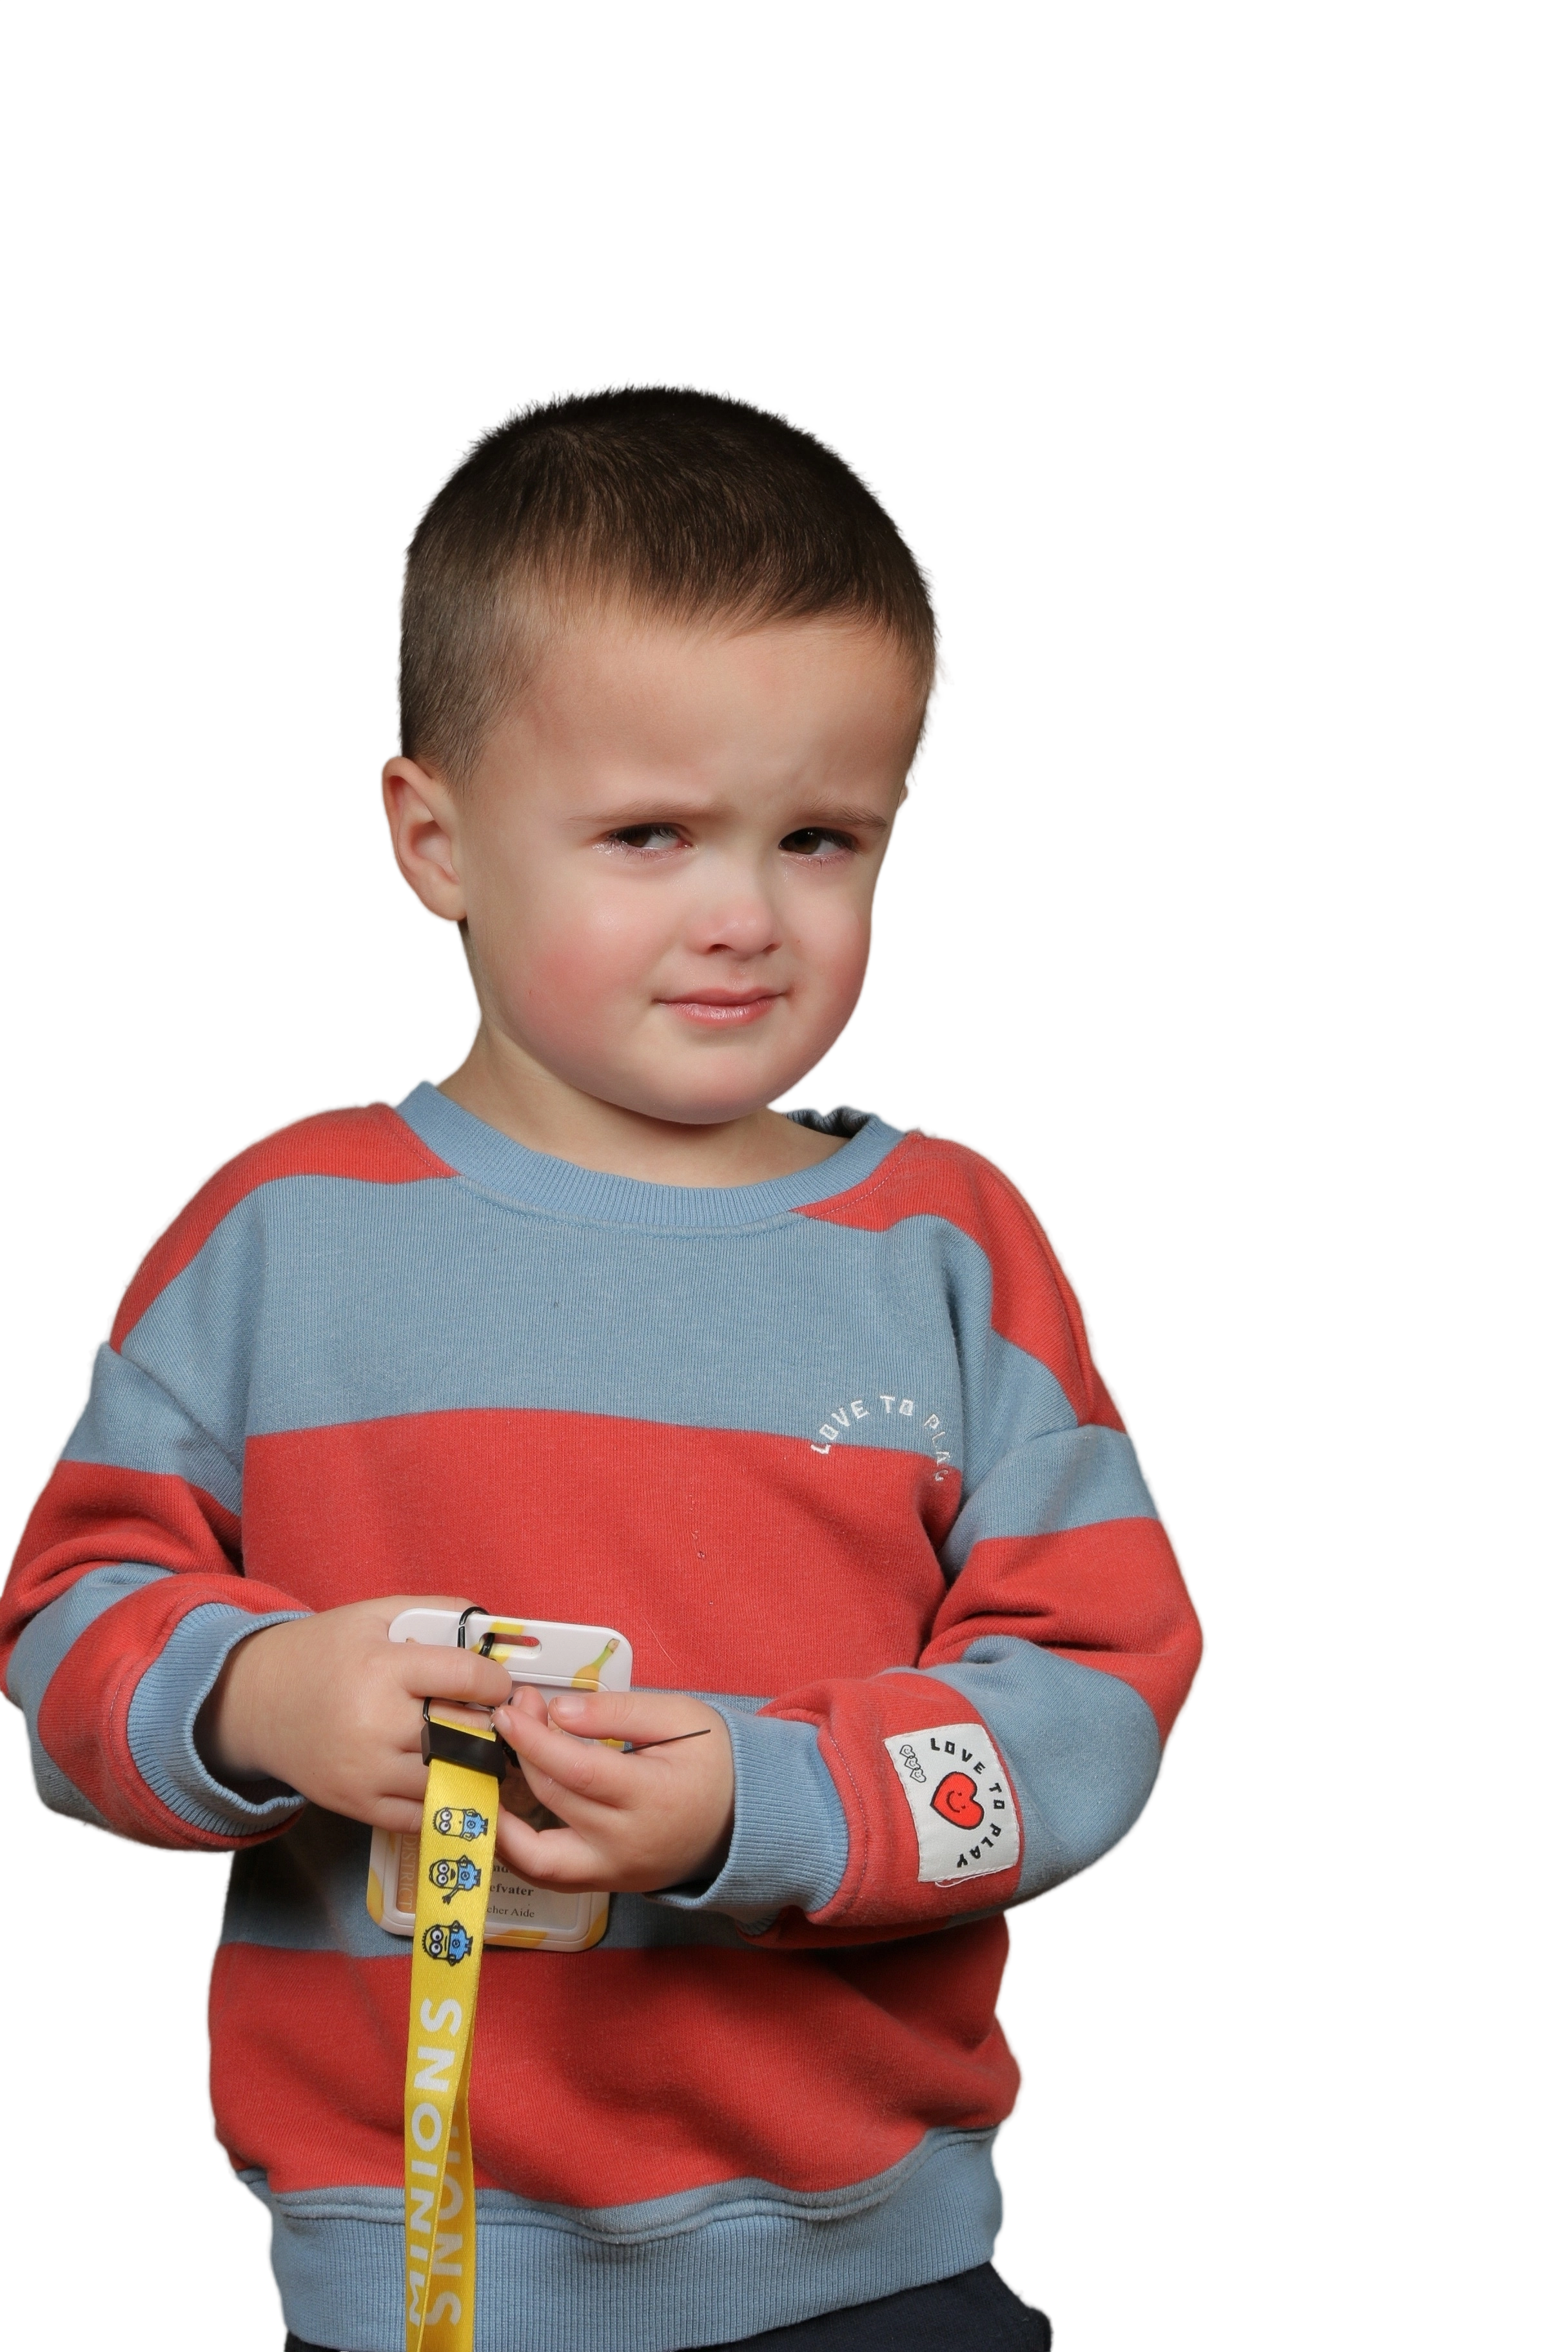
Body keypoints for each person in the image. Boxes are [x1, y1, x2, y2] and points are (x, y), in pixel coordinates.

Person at [0, 378, 1207, 2352]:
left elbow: (1097, 1696)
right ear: (436, 841)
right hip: (414, 2282)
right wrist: (253, 1699)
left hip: (873, 2271)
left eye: (821, 838)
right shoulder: (276, 1234)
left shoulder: (948, 1245)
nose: (746, 916)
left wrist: (773, 1806)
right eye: (650, 833)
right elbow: (63, 1650)